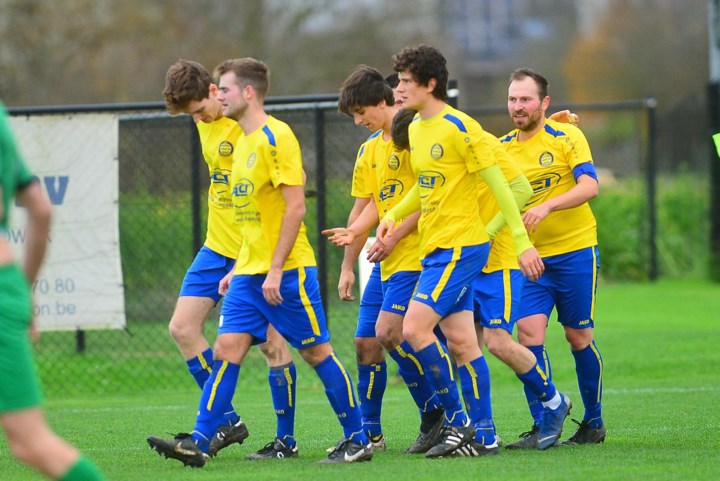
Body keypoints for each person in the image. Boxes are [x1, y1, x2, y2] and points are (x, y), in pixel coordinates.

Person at [149, 57, 372, 466]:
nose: (219, 95)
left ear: (246, 92)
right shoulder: (244, 142)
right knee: (226, 347)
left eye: (225, 89)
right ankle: (200, 439)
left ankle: (357, 438)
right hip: (245, 268)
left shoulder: (275, 137)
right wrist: (238, 268)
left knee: (315, 352)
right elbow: (247, 216)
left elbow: (295, 209)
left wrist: (271, 267)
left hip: (285, 269)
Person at [375, 44, 568, 457]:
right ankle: (487, 434)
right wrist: (394, 214)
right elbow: (427, 186)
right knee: (463, 342)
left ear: (430, 84)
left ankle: (458, 424)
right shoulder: (420, 129)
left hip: (463, 248)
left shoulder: (462, 129)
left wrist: (516, 242)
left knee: (414, 329)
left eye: (406, 81)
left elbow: (509, 189)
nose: (399, 89)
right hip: (437, 246)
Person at [156, 59, 298, 459]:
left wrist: (256, 257)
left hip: (251, 251)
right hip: (215, 246)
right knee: (182, 328)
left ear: (216, 91)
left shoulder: (247, 127)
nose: (198, 119)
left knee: (272, 344)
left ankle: (285, 441)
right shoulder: (203, 123)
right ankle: (227, 421)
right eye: (191, 116)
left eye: (200, 110)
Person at [322, 65, 445, 453]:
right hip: (386, 259)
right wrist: (347, 265)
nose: (359, 122)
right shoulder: (369, 150)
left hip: (418, 255)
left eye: (362, 113)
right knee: (365, 342)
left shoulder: (414, 137)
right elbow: (365, 207)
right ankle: (371, 434)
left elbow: (429, 197)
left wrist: (393, 238)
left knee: (391, 332)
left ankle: (437, 414)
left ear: (382, 101)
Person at [0, 102, 106, 480]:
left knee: (31, 441)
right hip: (5, 284)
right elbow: (40, 209)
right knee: (30, 442)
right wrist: (25, 294)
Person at [500, 67, 605, 447]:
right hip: (531, 259)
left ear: (544, 102)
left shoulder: (568, 136)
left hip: (576, 250)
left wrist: (546, 207)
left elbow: (589, 186)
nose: (517, 106)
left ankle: (593, 422)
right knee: (527, 335)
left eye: (525, 99)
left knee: (578, 336)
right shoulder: (503, 148)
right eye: (512, 99)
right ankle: (546, 421)